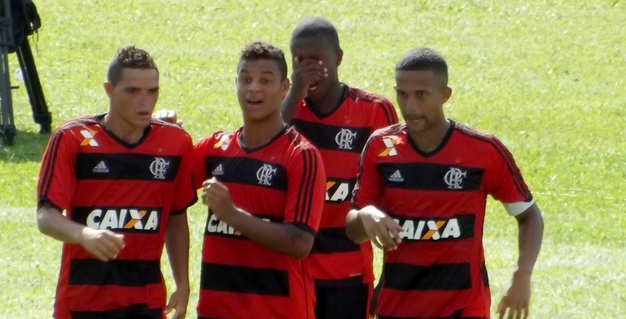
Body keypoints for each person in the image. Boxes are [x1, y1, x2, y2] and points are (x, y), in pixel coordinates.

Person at [346, 47, 544, 319]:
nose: (410, 106)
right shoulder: (382, 147)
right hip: (398, 306)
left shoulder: (482, 150)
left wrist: (522, 276)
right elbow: (353, 230)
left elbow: (528, 215)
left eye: (421, 95)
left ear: (445, 95)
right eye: (402, 94)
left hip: (463, 307)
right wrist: (366, 215)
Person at [36, 46, 196, 319]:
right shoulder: (73, 139)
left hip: (145, 302)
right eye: (132, 91)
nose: (145, 102)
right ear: (109, 89)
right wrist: (84, 235)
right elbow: (46, 216)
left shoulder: (175, 143)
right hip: (82, 303)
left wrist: (182, 284)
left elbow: (176, 216)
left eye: (152, 91)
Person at [192, 41, 326, 319]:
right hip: (216, 310)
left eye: (265, 80)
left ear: (285, 88)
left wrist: (231, 214)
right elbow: (164, 184)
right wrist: (160, 129)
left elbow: (299, 242)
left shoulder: (300, 155)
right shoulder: (214, 149)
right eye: (246, 79)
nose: (254, 88)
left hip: (279, 312)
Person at [281, 17, 399, 319]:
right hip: (291, 270)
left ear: (338, 58)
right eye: (299, 60)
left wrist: (388, 279)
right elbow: (263, 145)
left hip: (347, 274)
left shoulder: (373, 111)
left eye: (317, 59)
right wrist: (294, 93)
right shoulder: (285, 107)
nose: (308, 69)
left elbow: (394, 197)